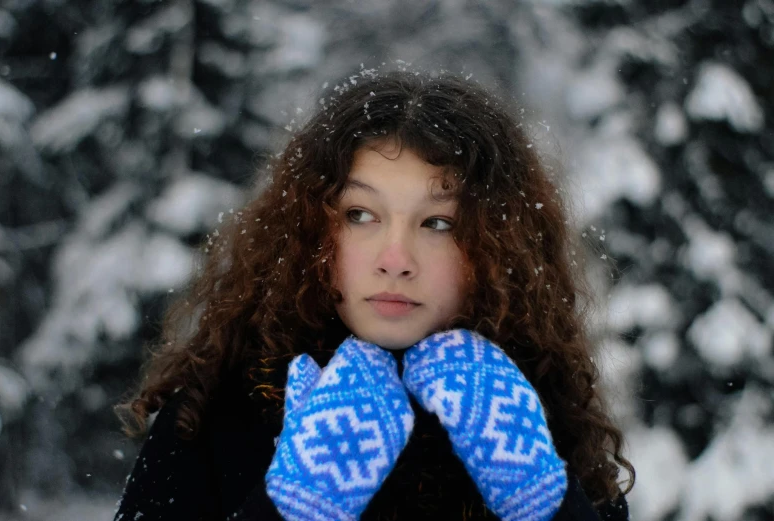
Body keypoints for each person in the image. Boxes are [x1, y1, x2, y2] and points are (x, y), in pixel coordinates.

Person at [111, 68, 635, 521]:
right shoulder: (219, 410)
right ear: (313, 230)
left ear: (497, 247)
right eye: (360, 215)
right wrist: (290, 508)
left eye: (438, 223)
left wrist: (543, 500)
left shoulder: (537, 416)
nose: (395, 258)